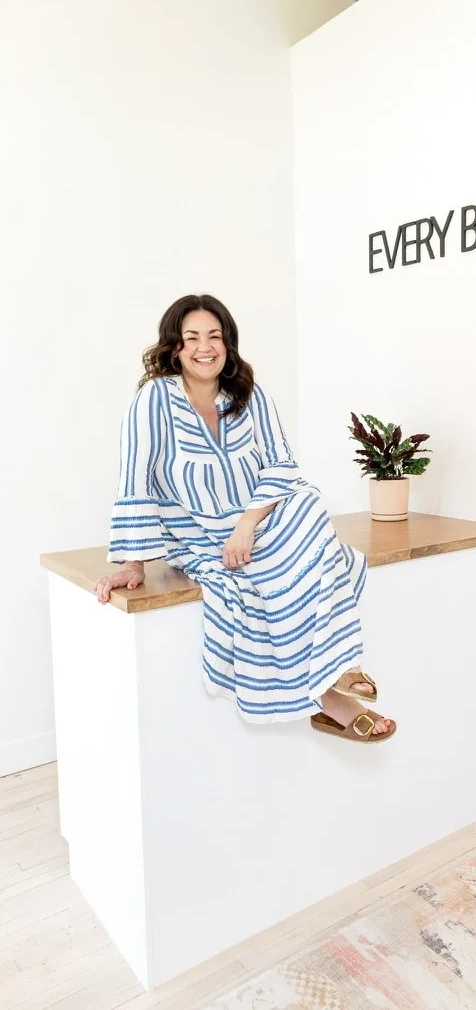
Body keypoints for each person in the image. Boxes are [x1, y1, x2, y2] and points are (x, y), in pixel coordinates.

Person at [93, 295, 395, 743]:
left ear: (228, 344)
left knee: (309, 503)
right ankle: (332, 697)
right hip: (199, 538)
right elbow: (134, 477)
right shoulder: (153, 400)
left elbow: (281, 466)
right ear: (174, 347)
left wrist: (247, 524)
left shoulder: (248, 394)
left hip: (256, 525)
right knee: (274, 577)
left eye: (214, 336)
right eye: (191, 337)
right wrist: (134, 563)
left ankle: (342, 665)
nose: (204, 347)